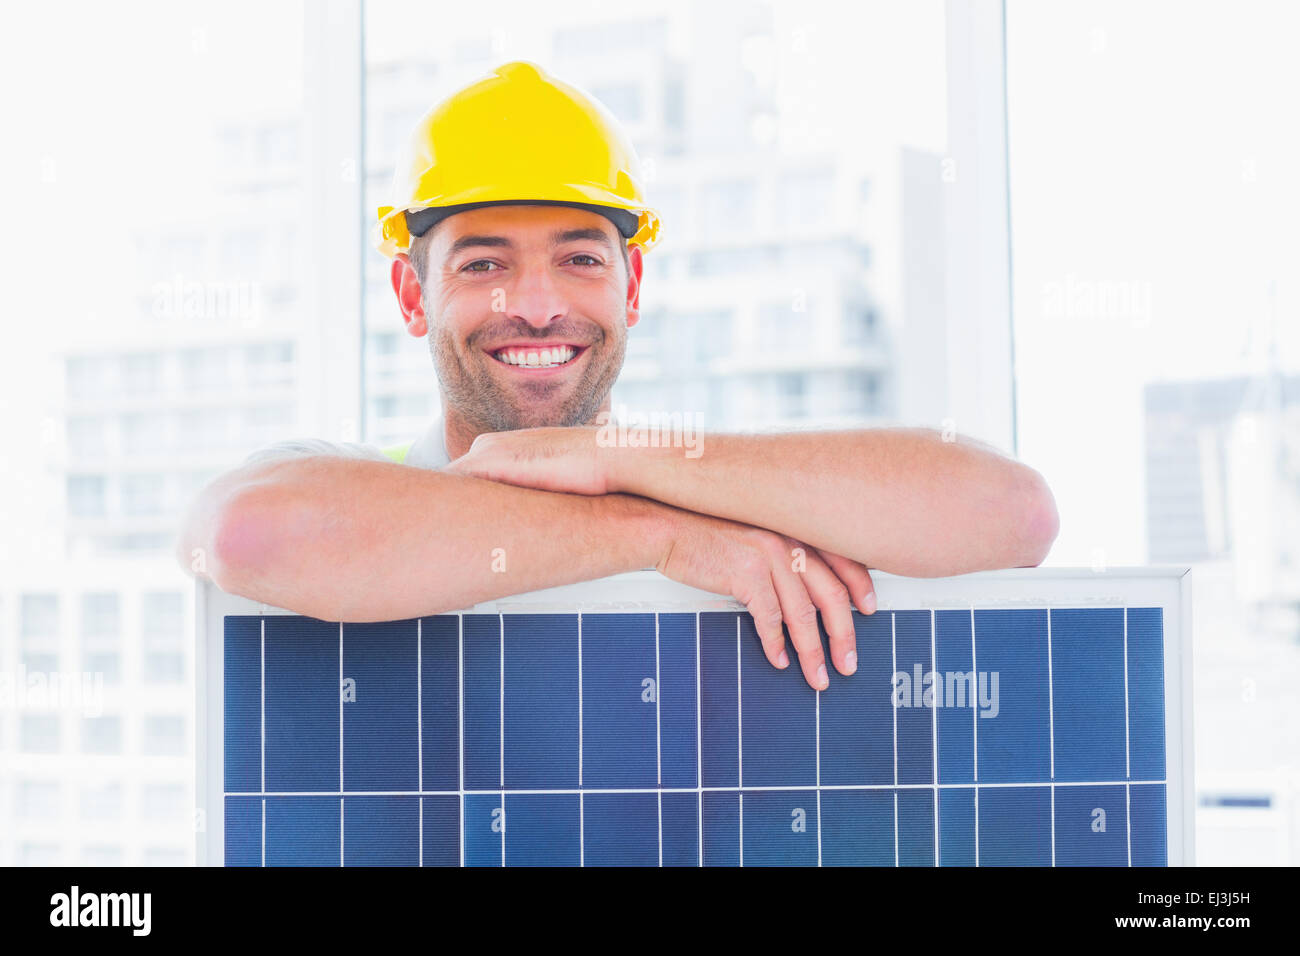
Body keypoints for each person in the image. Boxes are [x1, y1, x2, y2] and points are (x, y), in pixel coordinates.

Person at [174, 60, 1058, 692]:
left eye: (579, 260)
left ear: (632, 285)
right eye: (483, 265)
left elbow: (1014, 513)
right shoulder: (369, 493)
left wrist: (636, 464)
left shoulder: (738, 504)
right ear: (413, 293)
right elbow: (245, 536)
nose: (535, 304)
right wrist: (654, 535)